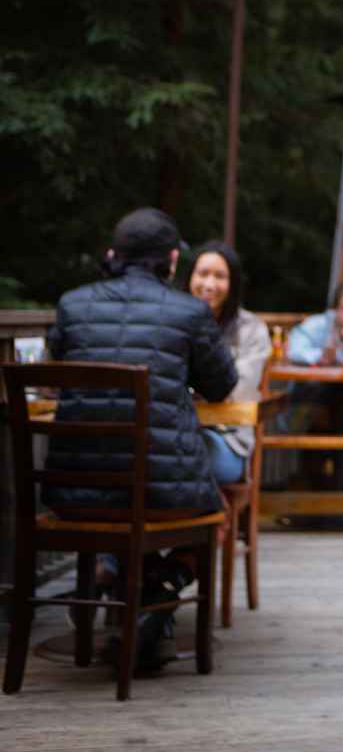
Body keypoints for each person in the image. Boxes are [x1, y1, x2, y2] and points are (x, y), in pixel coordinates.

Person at [46, 208, 238, 668]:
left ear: (115, 254)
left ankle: (126, 591)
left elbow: (57, 363)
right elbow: (221, 385)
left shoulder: (73, 305)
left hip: (74, 491)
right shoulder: (189, 312)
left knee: (121, 493)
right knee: (219, 513)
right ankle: (161, 587)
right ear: (172, 260)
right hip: (161, 493)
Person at [188, 240, 272, 475]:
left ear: (232, 283)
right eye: (202, 274)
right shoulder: (174, 321)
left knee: (184, 453)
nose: (209, 284)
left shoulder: (252, 330)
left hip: (227, 440)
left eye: (219, 276)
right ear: (189, 278)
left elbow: (236, 392)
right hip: (178, 432)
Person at [286, 282, 343, 365]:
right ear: (335, 310)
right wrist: (322, 355)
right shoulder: (317, 325)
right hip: (313, 379)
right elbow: (293, 351)